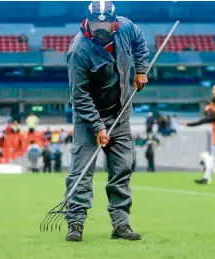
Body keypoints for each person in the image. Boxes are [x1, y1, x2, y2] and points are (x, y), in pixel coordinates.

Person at [64, 0, 149, 242]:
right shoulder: (78, 51)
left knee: (122, 168)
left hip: (121, 113)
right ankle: (75, 223)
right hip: (88, 119)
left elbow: (140, 43)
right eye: (95, 24)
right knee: (81, 172)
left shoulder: (127, 28)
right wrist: (98, 126)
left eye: (105, 24)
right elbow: (78, 96)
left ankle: (121, 223)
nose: (100, 29)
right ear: (87, 22)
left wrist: (141, 69)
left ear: (114, 22)